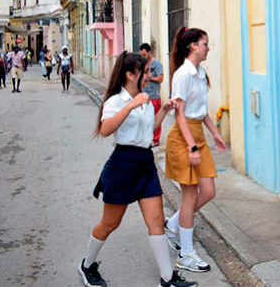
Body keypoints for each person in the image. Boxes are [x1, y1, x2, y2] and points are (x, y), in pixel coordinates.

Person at [78, 51, 197, 287]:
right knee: (110, 223)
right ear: (131, 75)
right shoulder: (116, 101)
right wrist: (131, 105)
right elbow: (105, 129)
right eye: (145, 72)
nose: (149, 76)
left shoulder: (144, 99)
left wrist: (163, 109)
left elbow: (148, 129)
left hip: (145, 163)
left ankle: (167, 278)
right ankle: (87, 264)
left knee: (156, 219)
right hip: (122, 165)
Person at [163, 27, 227, 273]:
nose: (208, 48)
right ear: (193, 46)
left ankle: (173, 224)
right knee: (189, 196)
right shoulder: (183, 74)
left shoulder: (200, 73)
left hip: (197, 133)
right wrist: (191, 146)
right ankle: (186, 254)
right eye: (205, 44)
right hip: (183, 137)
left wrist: (216, 134)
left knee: (208, 190)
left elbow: (201, 111)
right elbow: (179, 114)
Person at [140, 43, 165, 147]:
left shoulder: (157, 64)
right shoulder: (142, 64)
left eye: (145, 54)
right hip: (143, 95)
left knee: (155, 118)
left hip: (154, 95)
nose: (143, 57)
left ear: (150, 52)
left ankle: (155, 139)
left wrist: (150, 77)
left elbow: (161, 79)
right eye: (141, 55)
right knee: (145, 118)